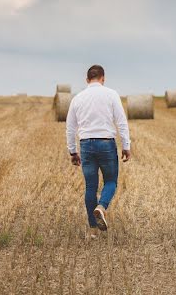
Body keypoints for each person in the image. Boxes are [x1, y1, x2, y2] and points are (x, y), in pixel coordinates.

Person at [66, 64, 131, 238]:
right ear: (103, 78)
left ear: (87, 80)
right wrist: (126, 145)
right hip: (106, 143)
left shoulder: (78, 98)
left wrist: (72, 151)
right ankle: (101, 207)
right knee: (111, 181)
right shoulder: (111, 94)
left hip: (86, 144)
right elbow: (122, 122)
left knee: (91, 187)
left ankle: (92, 231)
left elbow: (70, 128)